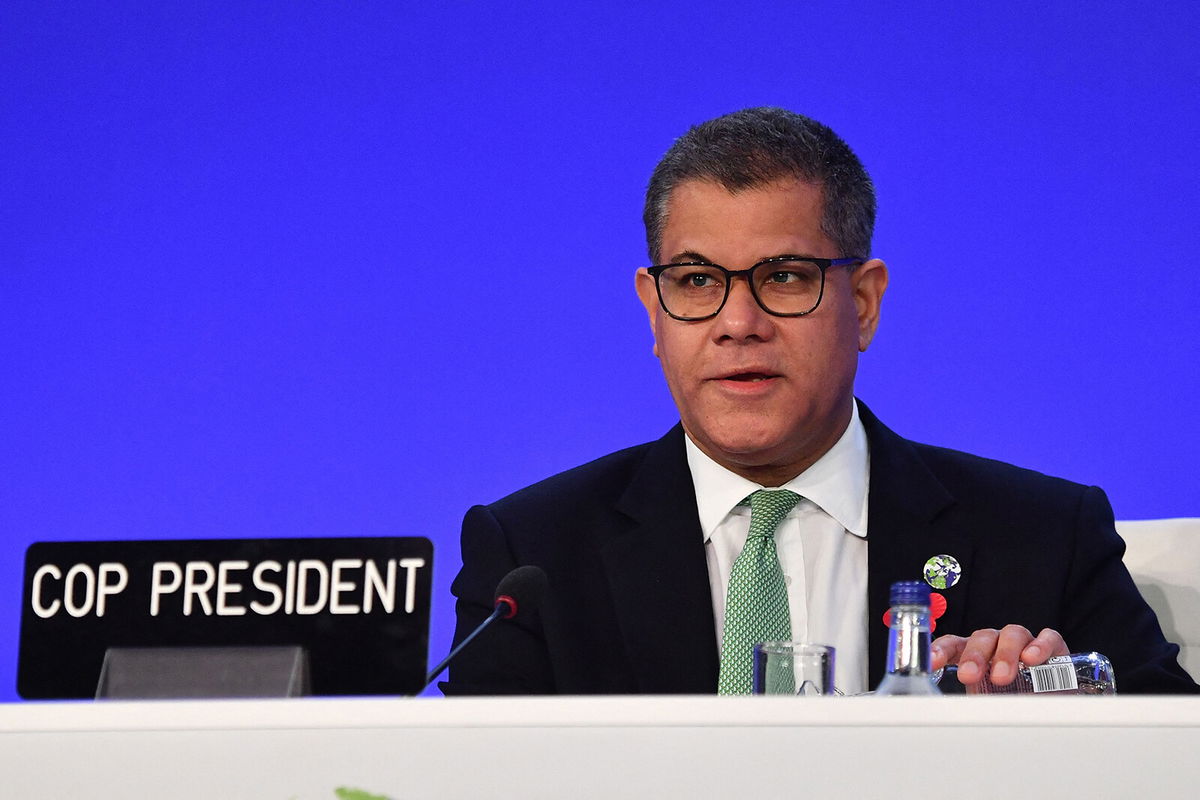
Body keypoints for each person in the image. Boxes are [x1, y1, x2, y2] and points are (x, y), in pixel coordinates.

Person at [442, 107, 1197, 695]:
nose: (739, 324)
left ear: (864, 303)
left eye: (785, 277)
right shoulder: (532, 557)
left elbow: (1174, 751)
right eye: (698, 281)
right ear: (654, 308)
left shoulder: (1041, 537)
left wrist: (1072, 717)